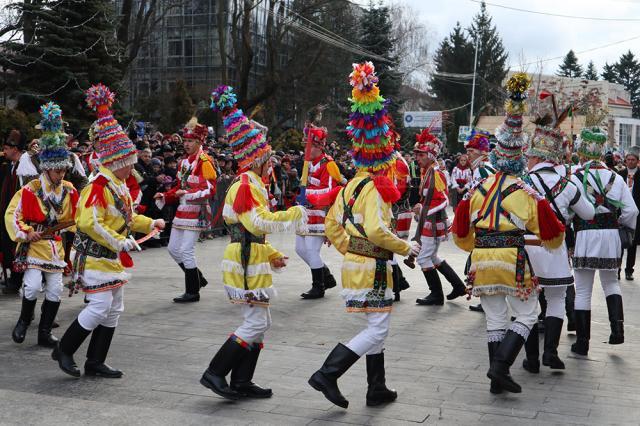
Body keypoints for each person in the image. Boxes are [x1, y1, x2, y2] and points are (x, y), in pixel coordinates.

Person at [308, 62, 415, 409]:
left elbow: (332, 226)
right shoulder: (377, 188)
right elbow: (376, 230)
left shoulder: (350, 185)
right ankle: (328, 373)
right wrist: (405, 246)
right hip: (373, 269)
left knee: (375, 322)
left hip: (354, 266)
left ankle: (376, 387)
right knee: (378, 329)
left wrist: (350, 248)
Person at [452, 73, 565, 394]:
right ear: (518, 158)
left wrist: (478, 244)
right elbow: (552, 233)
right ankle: (500, 366)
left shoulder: (477, 188)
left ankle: (496, 380)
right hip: (513, 260)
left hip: (482, 260)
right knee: (528, 314)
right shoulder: (524, 191)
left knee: (495, 318)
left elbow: (460, 233)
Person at [200, 85, 307, 400]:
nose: (270, 164)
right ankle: (215, 372)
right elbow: (256, 223)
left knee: (261, 320)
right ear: (258, 160)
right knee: (255, 320)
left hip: (250, 254)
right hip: (244, 258)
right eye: (267, 159)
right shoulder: (247, 184)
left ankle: (242, 380)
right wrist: (292, 214)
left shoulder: (252, 182)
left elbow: (254, 231)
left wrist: (271, 252)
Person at [53, 84, 164, 378]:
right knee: (100, 306)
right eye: (128, 165)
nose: (132, 170)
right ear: (115, 162)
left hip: (109, 256)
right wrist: (119, 240)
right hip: (93, 256)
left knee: (114, 308)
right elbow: (89, 222)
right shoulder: (97, 187)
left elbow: (127, 218)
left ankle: (95, 360)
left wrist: (150, 223)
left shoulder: (119, 186)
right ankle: (64, 349)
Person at [519, 106, 595, 373]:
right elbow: (589, 212)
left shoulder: (523, 182)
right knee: (556, 299)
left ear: (535, 156)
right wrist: (568, 211)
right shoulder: (568, 185)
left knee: (527, 303)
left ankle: (530, 360)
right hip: (554, 247)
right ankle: (550, 352)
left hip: (526, 247)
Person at [5, 102, 79, 347]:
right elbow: (12, 215)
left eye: (64, 171)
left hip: (55, 247)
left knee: (56, 290)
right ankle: (24, 321)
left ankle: (45, 332)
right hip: (34, 246)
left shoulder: (68, 190)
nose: (61, 175)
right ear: (47, 169)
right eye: (57, 171)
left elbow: (76, 218)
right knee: (33, 285)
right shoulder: (31, 189)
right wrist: (26, 233)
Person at [570, 126, 638, 357]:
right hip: (610, 235)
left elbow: (569, 210)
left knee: (582, 290)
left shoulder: (576, 176)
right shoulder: (616, 177)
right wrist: (620, 224)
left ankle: (582, 343)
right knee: (611, 283)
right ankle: (617, 331)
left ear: (583, 151)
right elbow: (631, 211)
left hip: (585, 234)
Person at [154, 118, 216, 303]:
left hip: (197, 211)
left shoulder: (205, 161)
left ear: (199, 142)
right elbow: (179, 186)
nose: (186, 144)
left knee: (187, 250)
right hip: (182, 211)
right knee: (173, 249)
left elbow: (210, 190)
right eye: (186, 141)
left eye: (190, 141)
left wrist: (187, 194)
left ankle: (193, 292)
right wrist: (165, 196)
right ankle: (198, 278)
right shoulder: (183, 163)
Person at [412, 128, 467, 306]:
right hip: (430, 222)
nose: (417, 158)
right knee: (432, 257)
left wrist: (423, 211)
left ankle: (436, 295)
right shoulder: (428, 171)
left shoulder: (435, 173)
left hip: (433, 223)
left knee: (422, 258)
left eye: (421, 155)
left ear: (429, 155)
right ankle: (458, 286)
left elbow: (443, 199)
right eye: (417, 155)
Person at [295, 124, 346, 299]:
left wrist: (306, 194)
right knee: (299, 249)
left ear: (318, 146)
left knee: (311, 250)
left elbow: (332, 191)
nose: (305, 149)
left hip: (320, 213)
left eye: (308, 145)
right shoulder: (308, 163)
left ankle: (319, 286)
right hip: (306, 212)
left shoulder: (328, 165)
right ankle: (326, 275)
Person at [463, 129, 495, 313]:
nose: (468, 154)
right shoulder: (482, 168)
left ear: (483, 152)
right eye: (467, 151)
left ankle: (488, 301)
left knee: (481, 262)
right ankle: (487, 300)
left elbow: (480, 198)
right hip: (489, 221)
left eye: (471, 151)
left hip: (486, 222)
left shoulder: (482, 169)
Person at [0, 129, 26, 294]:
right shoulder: (9, 165)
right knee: (8, 244)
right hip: (7, 212)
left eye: (7, 148)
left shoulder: (26, 166)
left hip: (20, 214)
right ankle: (13, 278)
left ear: (15, 149)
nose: (4, 152)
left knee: (17, 246)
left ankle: (16, 281)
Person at [618, 146, 640, 281]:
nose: (630, 162)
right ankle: (617, 268)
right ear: (625, 161)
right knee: (619, 241)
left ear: (637, 161)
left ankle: (629, 270)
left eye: (633, 160)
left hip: (636, 214)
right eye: (628, 159)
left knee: (632, 242)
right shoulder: (619, 174)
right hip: (621, 212)